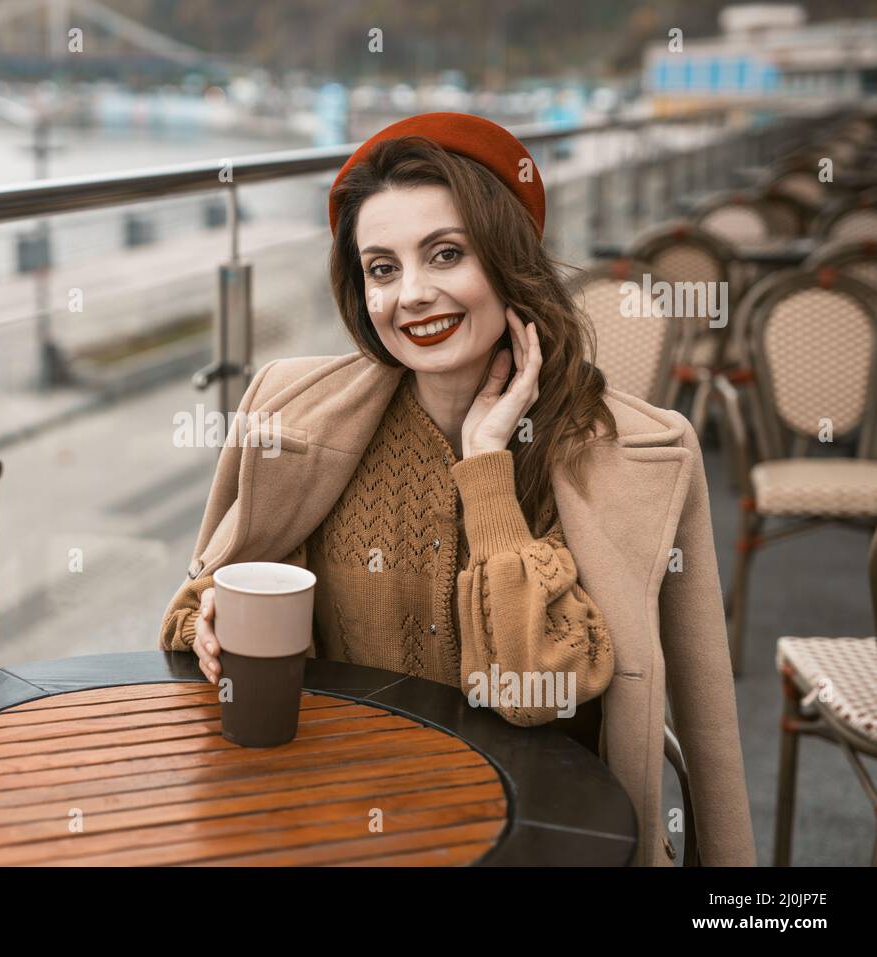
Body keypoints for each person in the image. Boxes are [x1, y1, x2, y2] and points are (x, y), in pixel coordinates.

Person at [157, 112, 755, 867]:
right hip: (329, 827)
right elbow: (189, 616)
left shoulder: (640, 451)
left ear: (509, 260)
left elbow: (543, 693)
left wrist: (486, 470)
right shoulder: (288, 407)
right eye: (382, 267)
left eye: (446, 254)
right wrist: (210, 622)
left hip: (545, 843)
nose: (411, 295)